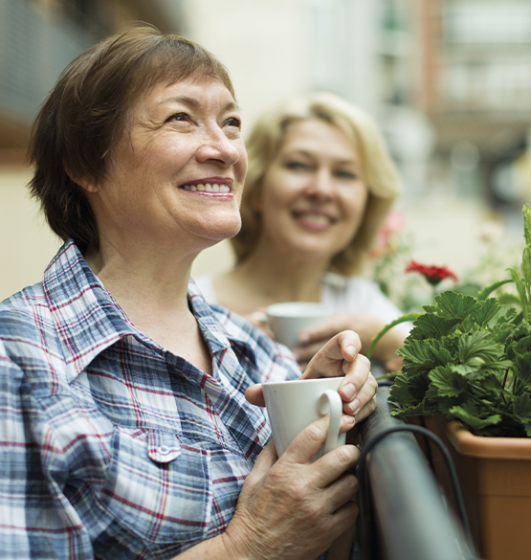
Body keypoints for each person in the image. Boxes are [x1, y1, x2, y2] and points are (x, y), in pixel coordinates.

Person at [0, 27, 376, 560]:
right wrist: (247, 547)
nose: (224, 149)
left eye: (231, 123)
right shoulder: (18, 361)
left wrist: (320, 421)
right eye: (180, 118)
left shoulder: (257, 352)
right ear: (85, 164)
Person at [195, 93, 409, 370]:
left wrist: (387, 341)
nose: (322, 189)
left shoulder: (362, 304)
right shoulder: (193, 305)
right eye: (298, 165)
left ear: (366, 204)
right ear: (255, 188)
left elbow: (452, 375)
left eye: (344, 174)